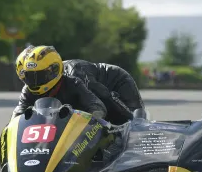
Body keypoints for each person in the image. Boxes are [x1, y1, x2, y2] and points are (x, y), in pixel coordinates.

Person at [13, 45, 144, 125]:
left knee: (129, 123)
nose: (35, 83)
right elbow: (18, 115)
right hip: (94, 85)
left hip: (114, 82)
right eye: (30, 77)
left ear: (53, 71)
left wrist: (131, 121)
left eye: (40, 76)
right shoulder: (28, 90)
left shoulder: (75, 78)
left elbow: (103, 100)